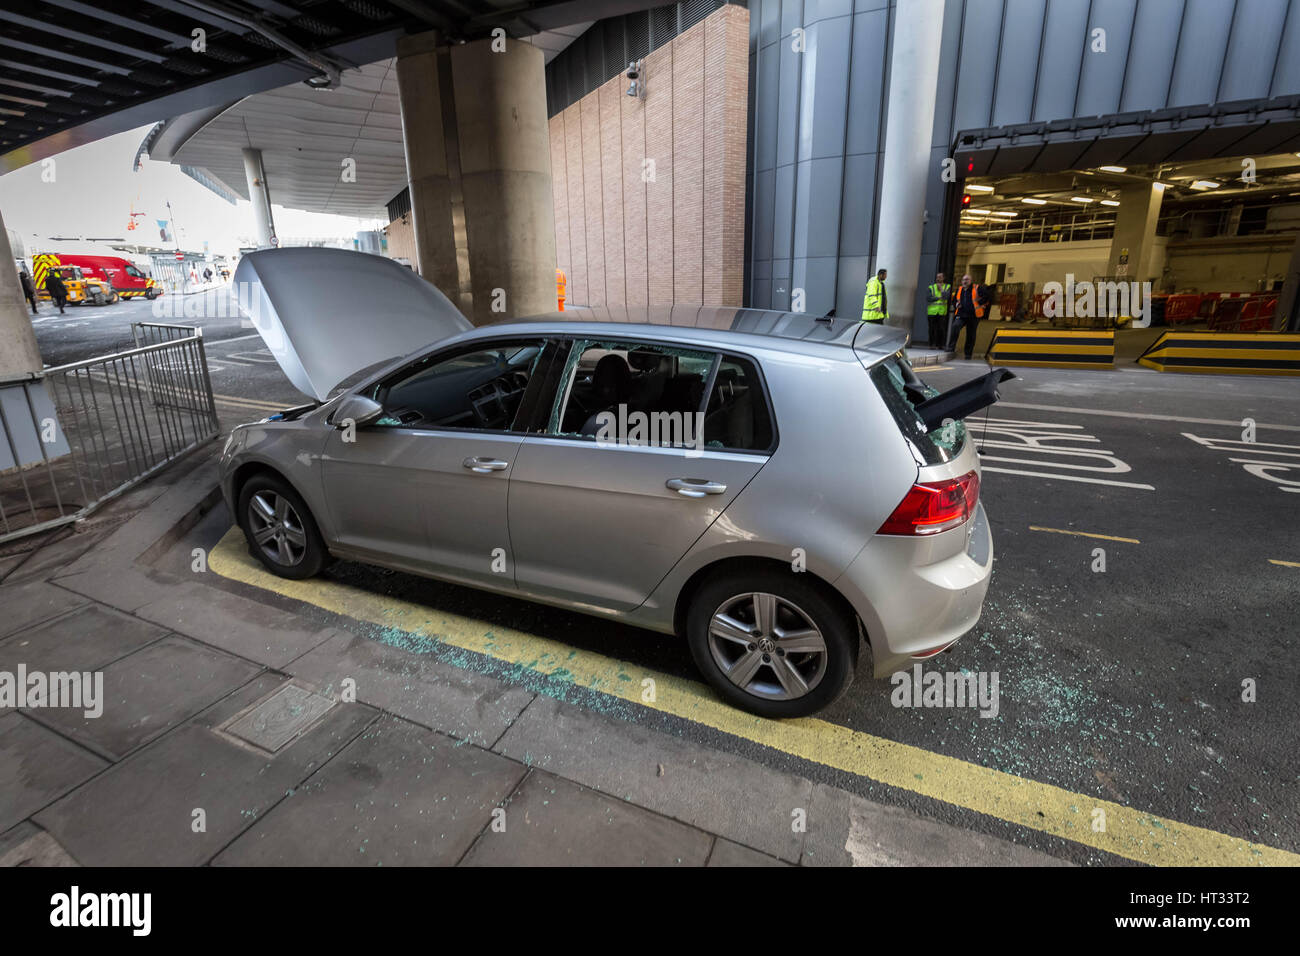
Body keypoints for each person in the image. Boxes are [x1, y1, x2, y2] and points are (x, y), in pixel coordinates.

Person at [948, 273, 991, 359]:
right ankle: (951, 347)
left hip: (974, 315)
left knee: (971, 335)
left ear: (971, 281)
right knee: (955, 327)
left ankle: (968, 353)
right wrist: (956, 304)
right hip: (961, 314)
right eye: (964, 280)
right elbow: (954, 300)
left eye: (967, 279)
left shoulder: (977, 288)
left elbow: (987, 296)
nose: (965, 281)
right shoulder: (959, 289)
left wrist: (980, 302)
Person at [925, 272, 951, 347]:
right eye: (937, 277)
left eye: (940, 277)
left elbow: (946, 297)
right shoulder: (931, 287)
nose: (938, 279)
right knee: (932, 329)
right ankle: (932, 344)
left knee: (941, 329)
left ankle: (940, 345)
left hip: (942, 312)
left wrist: (942, 290)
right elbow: (929, 298)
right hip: (932, 312)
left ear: (943, 278)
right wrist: (939, 298)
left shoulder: (947, 286)